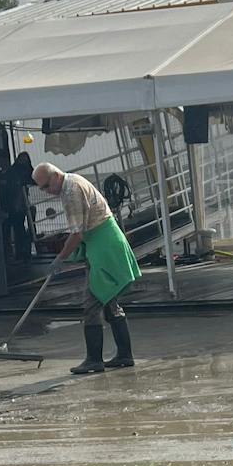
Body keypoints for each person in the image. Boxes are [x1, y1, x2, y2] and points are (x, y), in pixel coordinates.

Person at [30, 160, 140, 374]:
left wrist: (60, 258)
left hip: (105, 246)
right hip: (104, 242)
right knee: (109, 301)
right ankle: (125, 355)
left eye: (45, 186)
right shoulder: (71, 182)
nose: (46, 191)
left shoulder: (71, 191)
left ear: (55, 176)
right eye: (41, 188)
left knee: (92, 303)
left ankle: (94, 359)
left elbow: (77, 233)